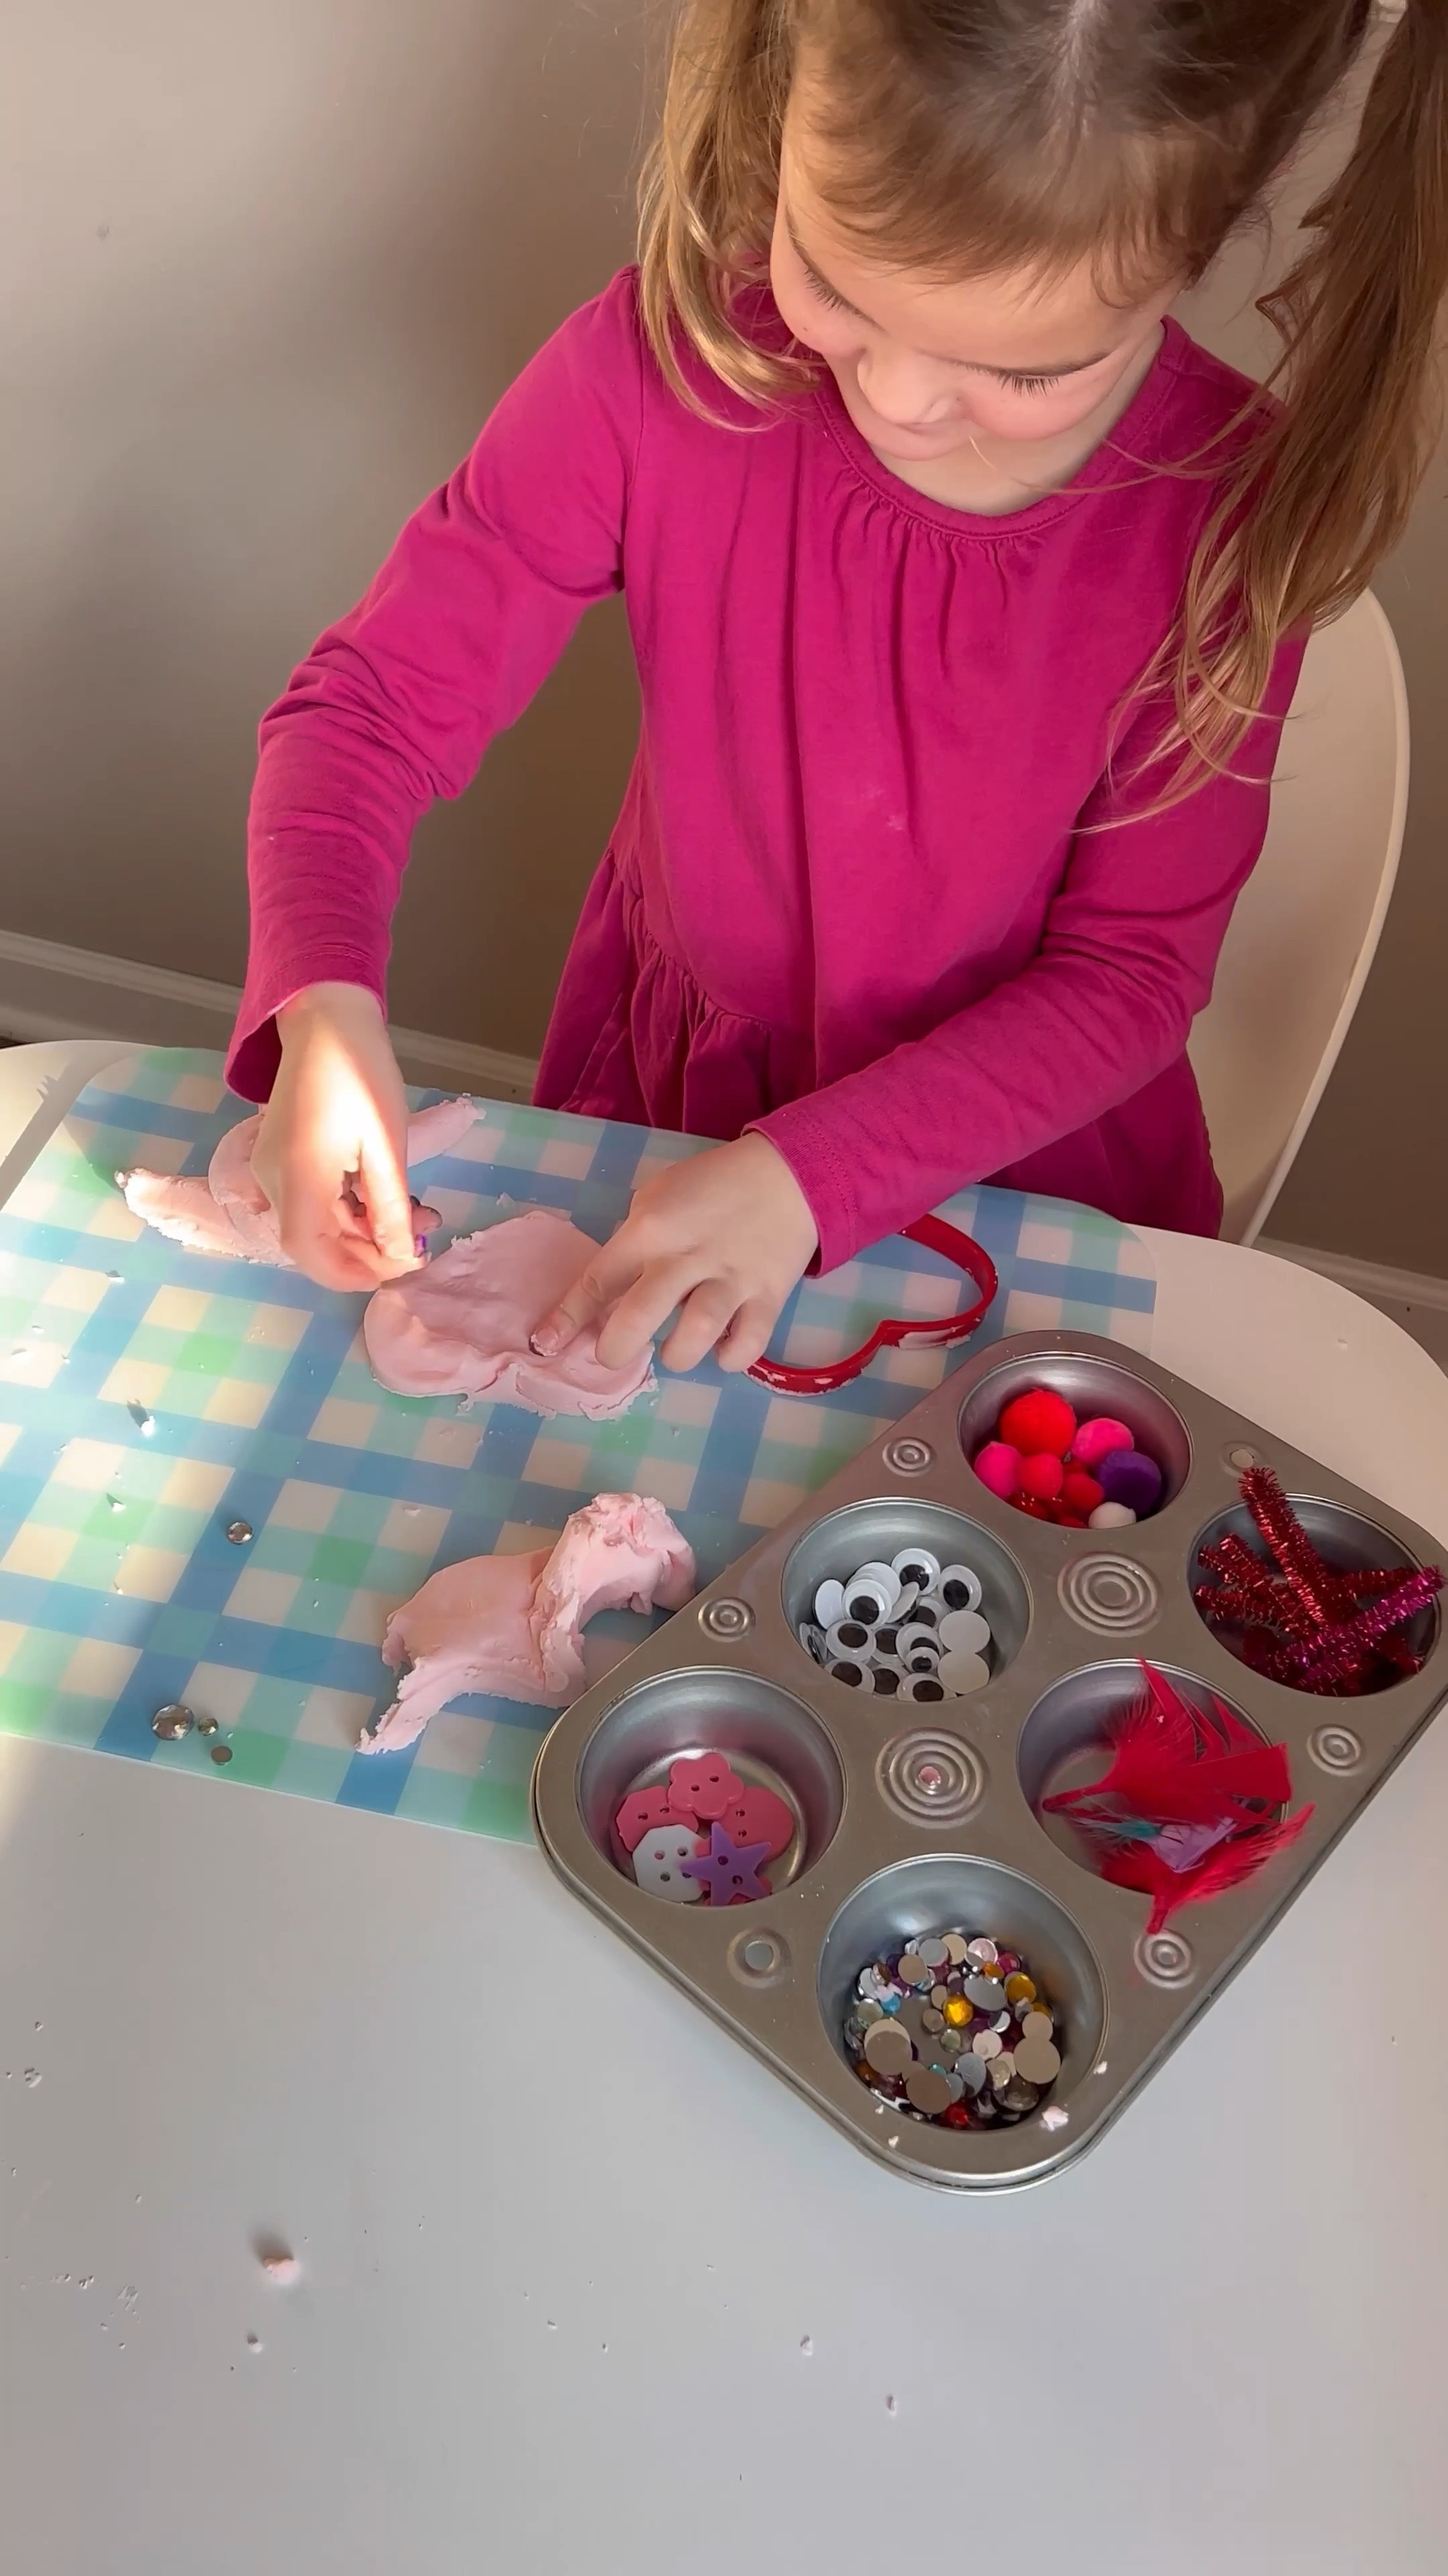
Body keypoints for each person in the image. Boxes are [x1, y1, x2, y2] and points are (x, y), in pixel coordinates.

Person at [235, 0, 1448, 1375]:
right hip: (672, 1114)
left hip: (1009, 1175)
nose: (901, 399)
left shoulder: (1218, 527)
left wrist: (810, 1179)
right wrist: (322, 1001)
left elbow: (1124, 977)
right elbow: (370, 707)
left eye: (1023, 365)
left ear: (1203, 241)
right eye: (838, 286)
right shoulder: (658, 367)